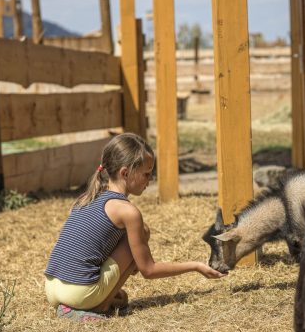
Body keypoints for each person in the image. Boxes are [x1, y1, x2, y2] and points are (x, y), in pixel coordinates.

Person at [44, 132, 225, 321]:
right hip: (79, 293)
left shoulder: (88, 198)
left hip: (51, 288)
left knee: (139, 234)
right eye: (146, 174)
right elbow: (148, 270)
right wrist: (195, 266)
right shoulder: (127, 211)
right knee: (140, 235)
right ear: (125, 173)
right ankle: (99, 306)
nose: (150, 179)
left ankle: (89, 301)